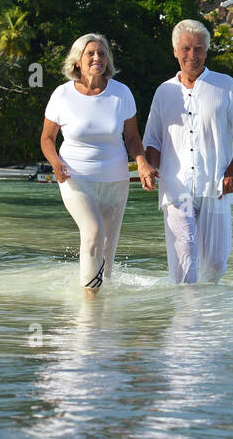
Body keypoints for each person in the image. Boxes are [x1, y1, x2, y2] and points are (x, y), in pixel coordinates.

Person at [41, 33, 155, 294]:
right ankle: (89, 300)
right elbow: (47, 138)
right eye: (90, 53)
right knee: (93, 232)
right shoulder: (62, 95)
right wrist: (55, 162)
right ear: (78, 60)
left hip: (115, 179)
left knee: (107, 247)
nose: (97, 58)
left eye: (102, 54)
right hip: (75, 177)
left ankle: (103, 312)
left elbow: (133, 138)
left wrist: (142, 164)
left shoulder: (121, 93)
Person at [143, 20, 233, 284]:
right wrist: (149, 169)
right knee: (186, 256)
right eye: (185, 49)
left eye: (198, 49)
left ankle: (211, 319)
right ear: (175, 51)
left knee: (215, 264)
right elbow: (154, 140)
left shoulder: (225, 86)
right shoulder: (164, 92)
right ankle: (184, 319)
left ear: (206, 51)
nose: (191, 55)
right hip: (175, 185)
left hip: (215, 183)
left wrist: (232, 173)